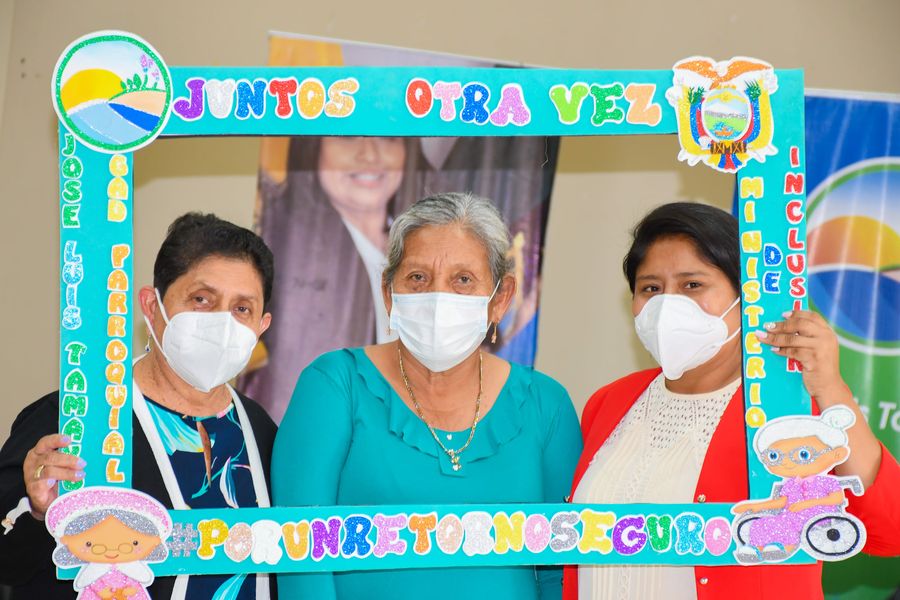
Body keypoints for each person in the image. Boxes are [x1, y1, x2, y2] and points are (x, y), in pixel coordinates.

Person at [564, 202, 900, 600]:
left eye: (692, 285)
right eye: (650, 288)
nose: (667, 304)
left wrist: (830, 388)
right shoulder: (609, 402)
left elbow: (889, 530)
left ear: (745, 297)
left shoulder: (786, 410)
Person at [273, 192, 582, 600]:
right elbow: (301, 560)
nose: (439, 297)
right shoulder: (335, 386)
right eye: (417, 277)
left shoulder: (546, 405)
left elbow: (561, 571)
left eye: (463, 279)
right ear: (389, 293)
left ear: (501, 298)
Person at [0, 213, 279, 600]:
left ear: (263, 325)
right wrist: (36, 512)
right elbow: (8, 563)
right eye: (202, 300)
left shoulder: (264, 433)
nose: (222, 323)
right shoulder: (74, 420)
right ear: (151, 305)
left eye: (242, 309)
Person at [241, 136, 423, 422]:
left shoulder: (421, 251)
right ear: (313, 147)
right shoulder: (285, 248)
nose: (370, 155)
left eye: (387, 138)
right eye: (347, 136)